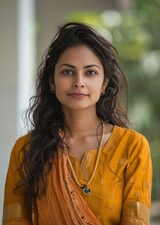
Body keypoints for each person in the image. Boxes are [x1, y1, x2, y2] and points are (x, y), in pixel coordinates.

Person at [3, 22, 152, 225]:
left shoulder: (132, 147)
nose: (79, 82)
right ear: (52, 82)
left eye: (90, 72)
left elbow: (136, 221)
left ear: (104, 83)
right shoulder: (27, 149)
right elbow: (15, 220)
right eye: (67, 72)